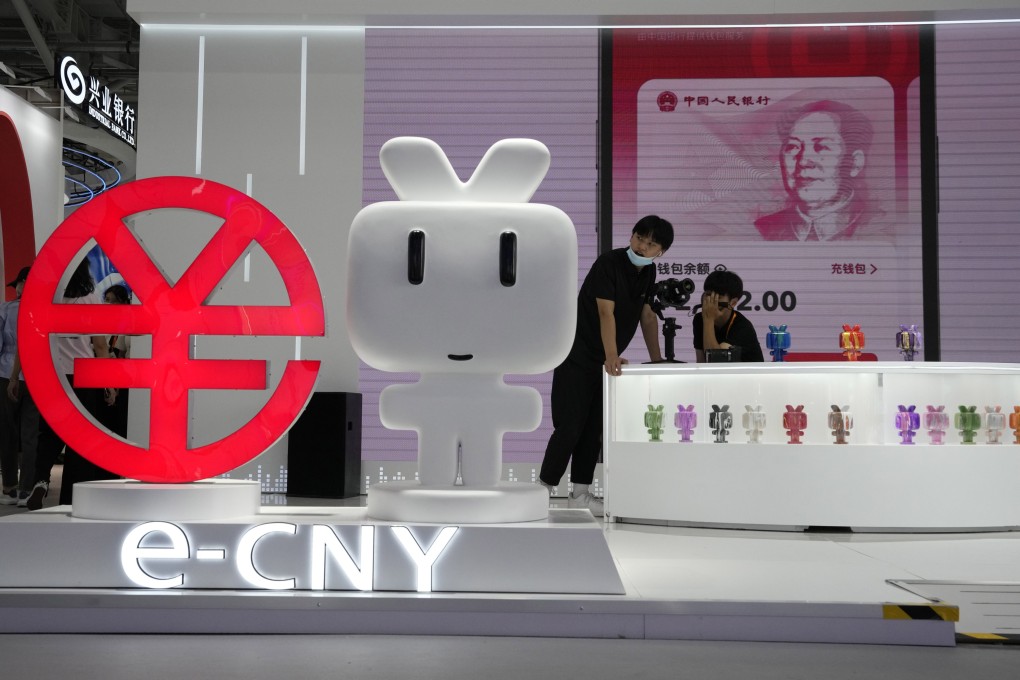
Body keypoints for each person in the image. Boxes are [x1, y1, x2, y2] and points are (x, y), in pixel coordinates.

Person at [539, 215, 674, 515]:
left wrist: (656, 360)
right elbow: (605, 313)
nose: (642, 247)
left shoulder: (648, 274)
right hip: (577, 354)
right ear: (631, 235)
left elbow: (647, 316)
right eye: (640, 238)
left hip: (603, 363)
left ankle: (581, 493)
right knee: (570, 426)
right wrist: (611, 355)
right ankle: (544, 488)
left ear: (660, 252)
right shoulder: (608, 263)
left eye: (651, 244)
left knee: (593, 429)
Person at [9, 259, 117, 509]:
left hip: (53, 374)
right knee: (80, 435)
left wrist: (16, 376)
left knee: (49, 434)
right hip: (84, 375)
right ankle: (72, 497)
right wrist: (108, 382)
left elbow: (29, 339)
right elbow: (100, 345)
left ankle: (40, 481)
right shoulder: (91, 298)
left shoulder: (48, 296)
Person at [754, 100, 876, 241]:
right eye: (793, 147)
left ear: (855, 163)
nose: (803, 161)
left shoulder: (878, 226)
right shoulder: (761, 229)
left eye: (821, 147)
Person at [0, 266, 39, 507]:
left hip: (6, 375)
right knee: (31, 435)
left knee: (7, 432)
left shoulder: (6, 309)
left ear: (25, 282)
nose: (16, 289)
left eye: (18, 284)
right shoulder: (44, 309)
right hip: (37, 378)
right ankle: (27, 488)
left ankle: (9, 488)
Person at [693, 270, 764, 363]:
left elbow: (715, 361)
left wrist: (709, 320)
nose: (711, 301)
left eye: (719, 297)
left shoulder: (742, 326)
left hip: (748, 376)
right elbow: (701, 362)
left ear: (733, 302)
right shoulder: (699, 319)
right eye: (708, 294)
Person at [98, 284, 132, 438]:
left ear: (124, 303)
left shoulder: (129, 325)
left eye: (114, 301)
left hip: (123, 380)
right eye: (106, 300)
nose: (109, 304)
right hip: (104, 379)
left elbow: (120, 354)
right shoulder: (103, 325)